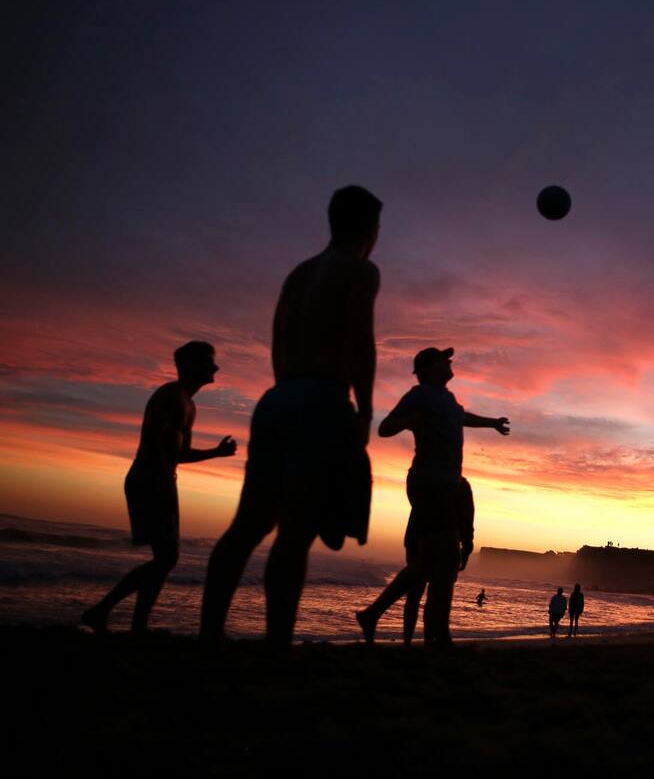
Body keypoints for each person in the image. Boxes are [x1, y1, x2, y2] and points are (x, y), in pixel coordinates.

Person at [200, 186, 381, 651]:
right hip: (321, 398)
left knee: (248, 525)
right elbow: (360, 340)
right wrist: (364, 409)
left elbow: (278, 343)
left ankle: (209, 635)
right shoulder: (360, 269)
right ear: (370, 228)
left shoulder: (298, 274)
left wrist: (289, 390)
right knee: (295, 532)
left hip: (277, 397)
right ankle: (276, 643)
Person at [356, 347, 509, 648]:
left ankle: (381, 617)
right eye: (443, 358)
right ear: (429, 367)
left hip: (445, 485)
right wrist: (412, 420)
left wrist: (492, 423)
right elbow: (386, 427)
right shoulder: (419, 394)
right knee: (445, 557)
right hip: (429, 482)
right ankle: (436, 635)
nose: (449, 360)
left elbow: (462, 417)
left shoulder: (448, 399)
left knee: (435, 563)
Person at [82, 342, 237, 634]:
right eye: (208, 361)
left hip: (163, 480)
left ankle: (134, 624)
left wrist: (216, 453)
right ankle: (101, 611)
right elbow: (156, 443)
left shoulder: (189, 405)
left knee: (165, 559)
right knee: (167, 558)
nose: (215, 367)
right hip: (150, 479)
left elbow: (180, 454)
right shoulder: (169, 395)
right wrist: (162, 482)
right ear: (190, 365)